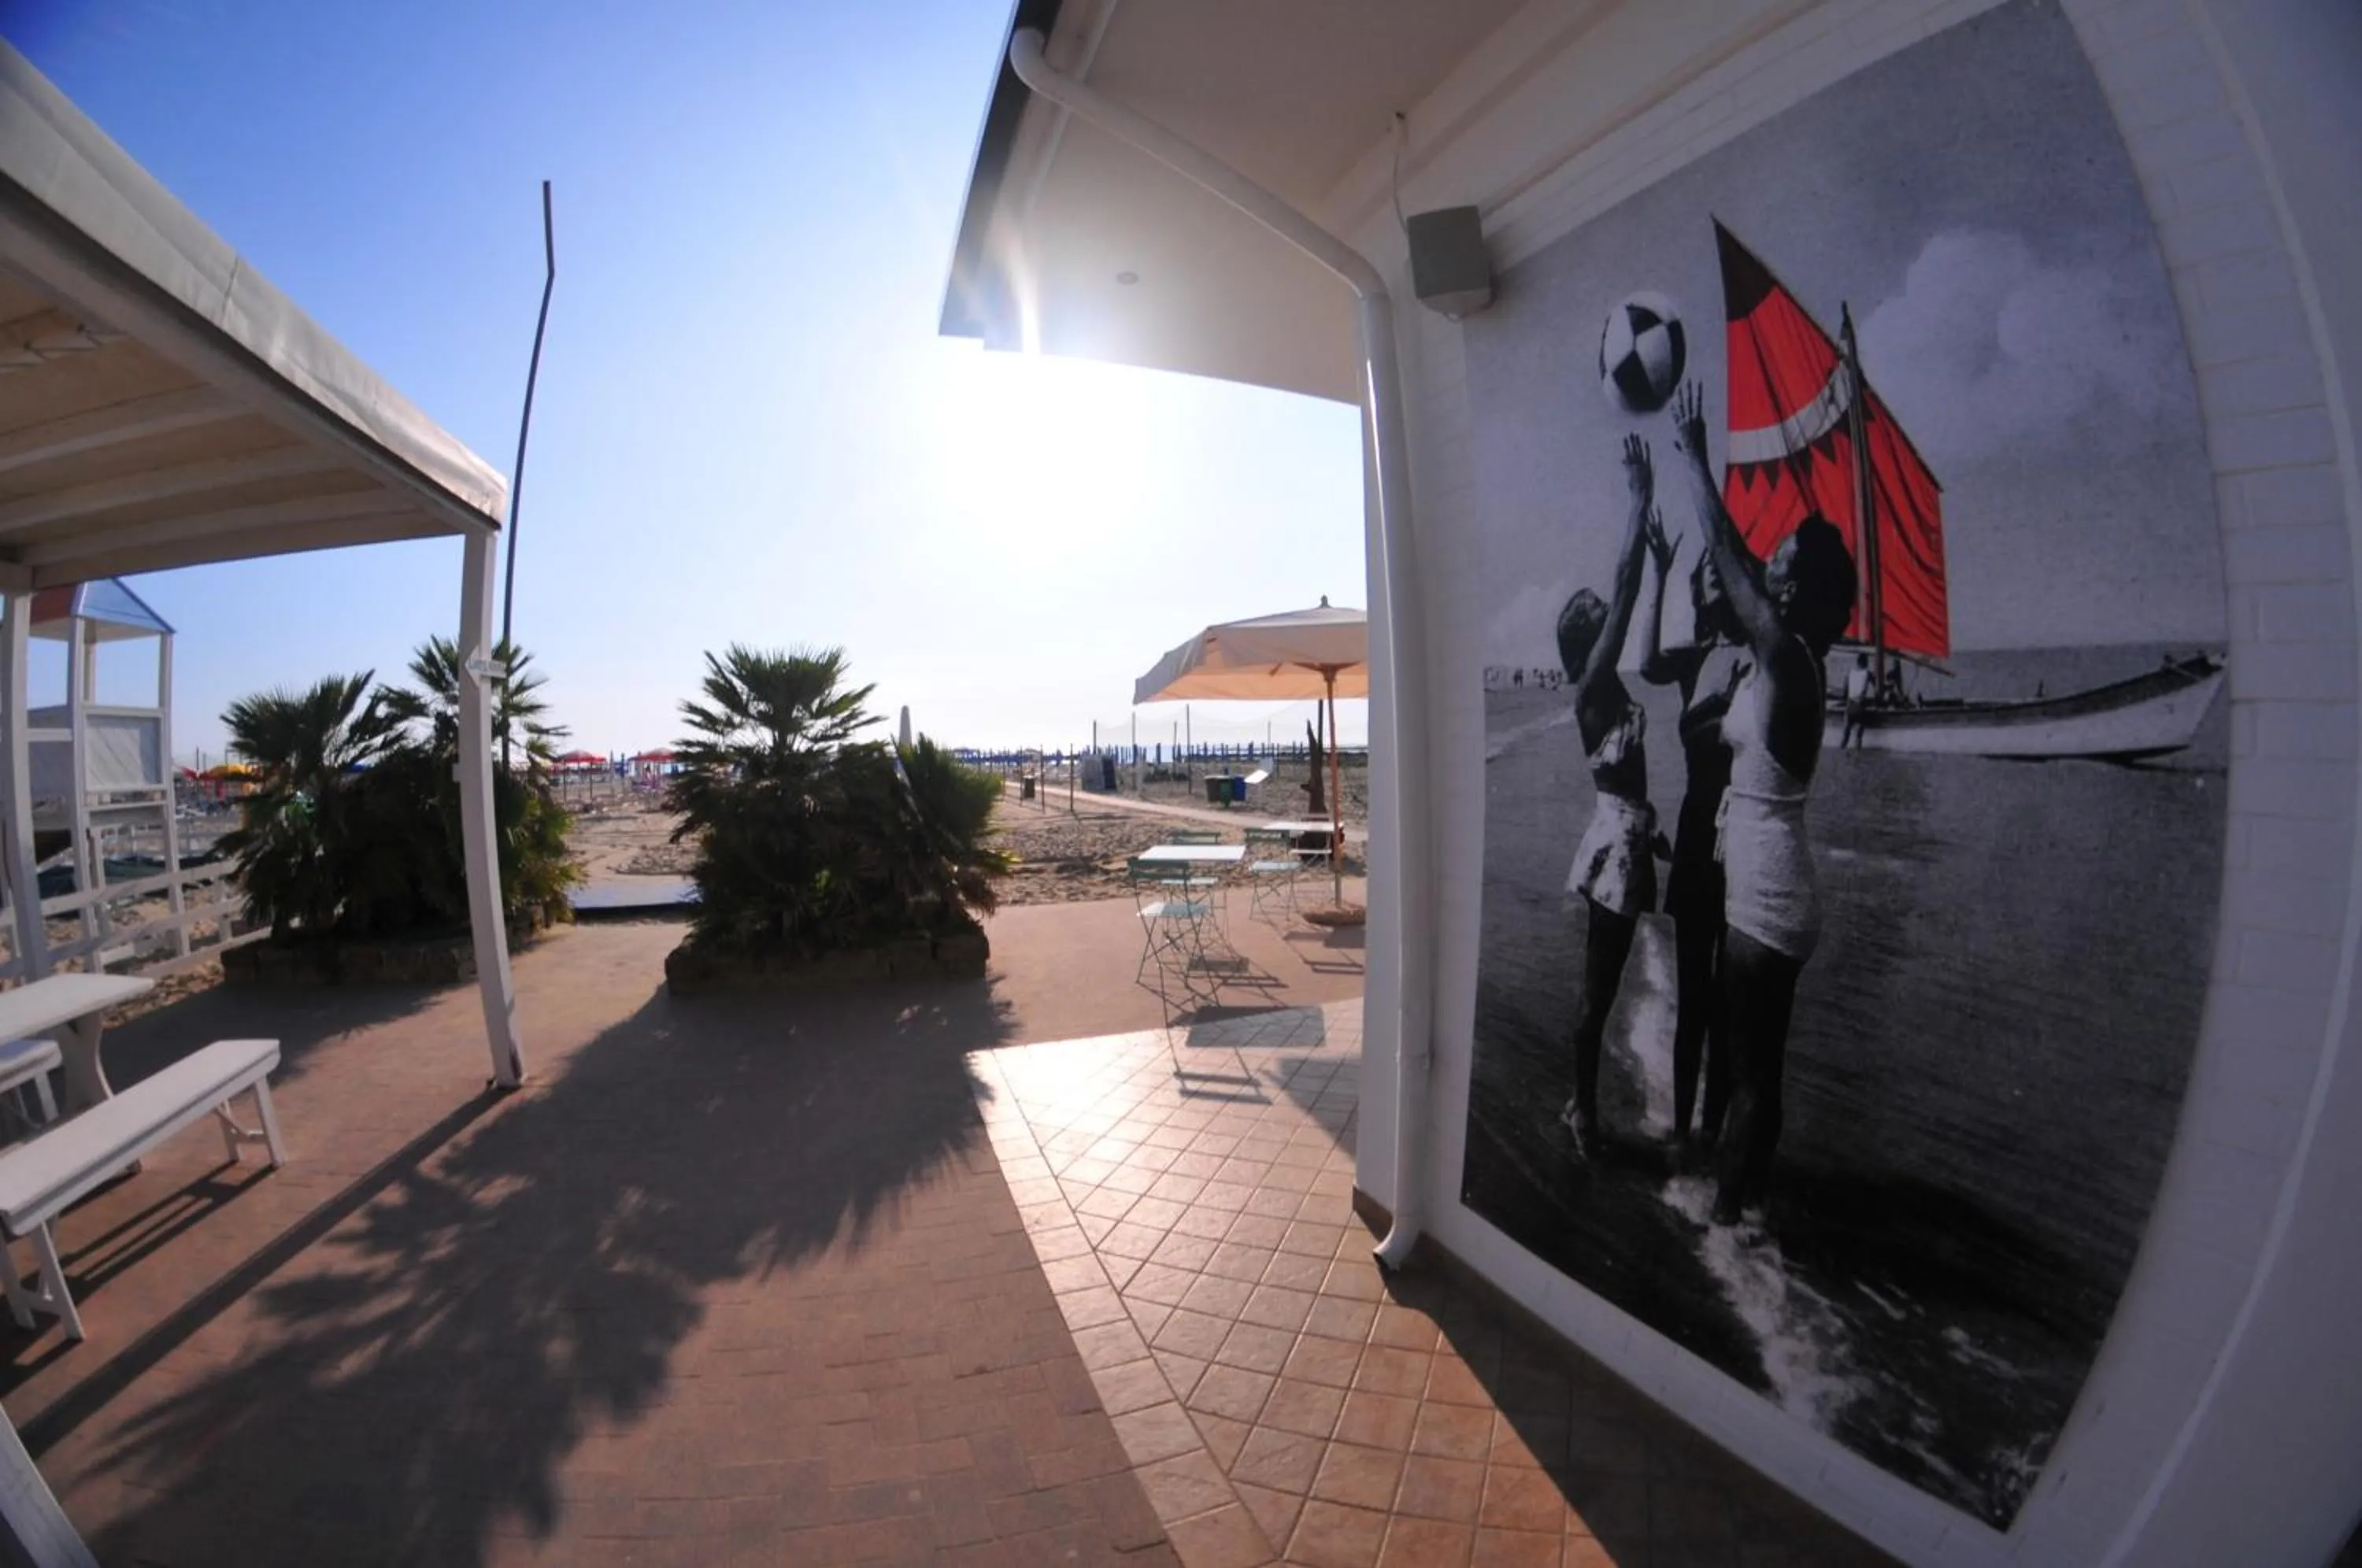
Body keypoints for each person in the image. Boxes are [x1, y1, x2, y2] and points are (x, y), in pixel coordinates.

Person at [1668, 383, 1858, 1225]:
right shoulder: (1791, 659)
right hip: (1768, 886)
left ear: (1799, 589)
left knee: (1750, 1077)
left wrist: (1696, 459)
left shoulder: (1787, 662)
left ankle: (1727, 1228)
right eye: (1771, 563)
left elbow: (1730, 557)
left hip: (1769, 897)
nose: (1768, 569)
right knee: (1757, 1073)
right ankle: (1745, 1205)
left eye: (1783, 567)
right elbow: (1742, 564)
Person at [1557, 433, 1664, 1158]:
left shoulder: (1609, 690)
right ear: (1587, 639)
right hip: (1615, 854)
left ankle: (1580, 1101)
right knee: (1598, 994)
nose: (1607, 605)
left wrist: (1652, 828)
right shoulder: (1593, 687)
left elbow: (1626, 782)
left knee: (1606, 987)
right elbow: (1621, 583)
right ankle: (1581, 1109)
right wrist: (1638, 495)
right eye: (1597, 610)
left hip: (1626, 840)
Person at [1634, 505, 1749, 1158]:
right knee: (1693, 996)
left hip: (1745, 835)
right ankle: (1683, 1131)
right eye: (1702, 577)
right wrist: (1661, 569)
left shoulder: (1758, 655)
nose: (1710, 584)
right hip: (1699, 831)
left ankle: (1715, 1132)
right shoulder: (1695, 659)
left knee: (1730, 1003)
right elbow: (1645, 658)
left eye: (1717, 574)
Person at [1840, 652, 1873, 749]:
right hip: (1860, 707)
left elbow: (1845, 692)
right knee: (1858, 737)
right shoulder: (1867, 673)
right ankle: (1858, 755)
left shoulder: (1850, 673)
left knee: (1845, 736)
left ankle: (1842, 750)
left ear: (1857, 662)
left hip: (1850, 707)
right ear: (1866, 663)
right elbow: (1877, 688)